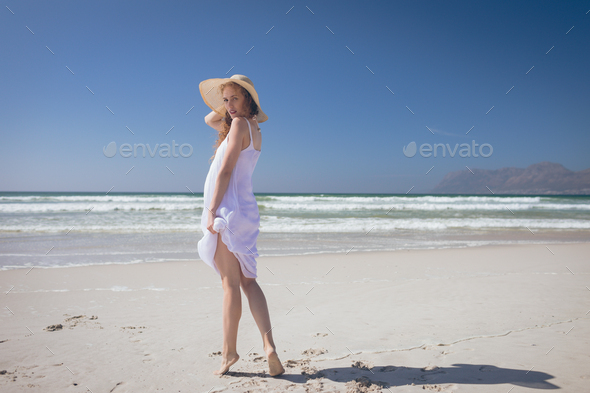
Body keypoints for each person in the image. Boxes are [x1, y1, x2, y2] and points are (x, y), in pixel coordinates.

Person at [197, 74, 285, 377]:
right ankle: (269, 346)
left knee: (230, 285)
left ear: (249, 100)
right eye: (225, 99)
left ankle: (228, 352)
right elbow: (211, 117)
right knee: (248, 281)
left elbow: (225, 170)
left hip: (227, 211)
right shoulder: (253, 128)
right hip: (246, 211)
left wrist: (211, 211)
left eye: (235, 98)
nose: (228, 105)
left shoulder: (237, 125)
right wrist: (228, 100)